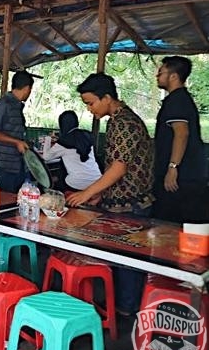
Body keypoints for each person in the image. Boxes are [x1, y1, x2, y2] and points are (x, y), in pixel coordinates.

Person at [67, 73, 154, 316]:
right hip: (119, 201)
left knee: (128, 261)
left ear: (107, 98)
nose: (89, 108)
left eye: (91, 102)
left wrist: (86, 193)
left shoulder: (124, 123)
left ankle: (126, 311)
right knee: (120, 258)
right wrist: (101, 195)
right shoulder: (115, 121)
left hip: (133, 205)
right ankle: (120, 307)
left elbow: (119, 167)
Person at [153, 56, 208, 223]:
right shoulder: (178, 99)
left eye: (161, 73)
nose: (157, 76)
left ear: (173, 76)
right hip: (183, 173)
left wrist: (173, 167)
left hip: (182, 176)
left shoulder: (178, 100)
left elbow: (182, 133)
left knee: (173, 219)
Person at [0, 71, 34, 193]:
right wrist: (17, 142)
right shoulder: (3, 105)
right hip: (1, 166)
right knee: (3, 203)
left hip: (15, 165)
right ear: (27, 88)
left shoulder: (17, 106)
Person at [43, 110, 102, 191]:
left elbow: (46, 157)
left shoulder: (64, 142)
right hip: (98, 181)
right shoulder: (87, 135)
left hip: (77, 184)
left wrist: (48, 139)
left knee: (56, 181)